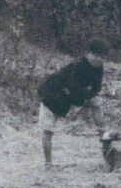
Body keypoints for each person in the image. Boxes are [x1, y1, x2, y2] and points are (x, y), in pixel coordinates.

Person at [37, 39, 109, 167]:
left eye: (103, 57)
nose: (99, 59)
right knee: (48, 130)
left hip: (69, 96)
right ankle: (48, 164)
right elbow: (74, 89)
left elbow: (96, 88)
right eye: (97, 55)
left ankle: (104, 139)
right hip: (52, 94)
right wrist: (85, 100)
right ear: (88, 54)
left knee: (96, 103)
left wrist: (88, 98)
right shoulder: (78, 65)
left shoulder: (98, 68)